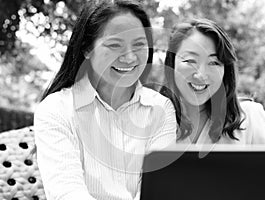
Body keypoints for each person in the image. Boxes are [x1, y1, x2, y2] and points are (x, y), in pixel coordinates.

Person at [34, 0, 176, 199]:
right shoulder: (55, 110)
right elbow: (66, 193)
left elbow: (159, 190)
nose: (129, 58)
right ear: (86, 49)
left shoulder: (161, 108)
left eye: (139, 45)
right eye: (115, 45)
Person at [160, 18, 265, 145]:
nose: (201, 75)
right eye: (190, 61)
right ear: (171, 64)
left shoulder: (250, 116)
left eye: (214, 63)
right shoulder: (150, 117)